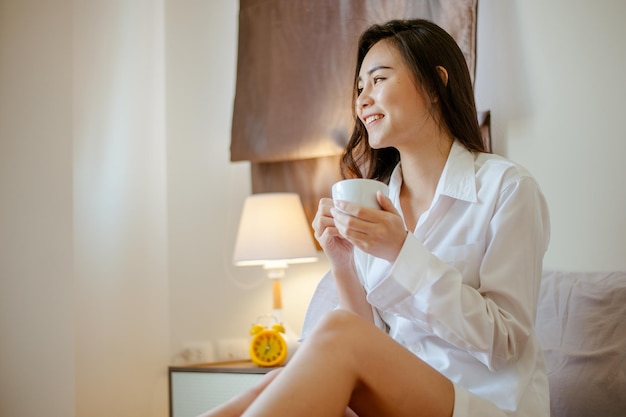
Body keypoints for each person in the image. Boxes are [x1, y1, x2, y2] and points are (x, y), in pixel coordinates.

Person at [202, 18, 550, 417]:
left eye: (378, 80)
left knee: (335, 334)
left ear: (436, 84)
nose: (362, 99)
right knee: (286, 373)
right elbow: (369, 341)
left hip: (484, 403)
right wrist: (343, 262)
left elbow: (505, 342)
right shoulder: (379, 201)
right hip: (400, 400)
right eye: (359, 87)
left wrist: (402, 252)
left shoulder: (505, 188)